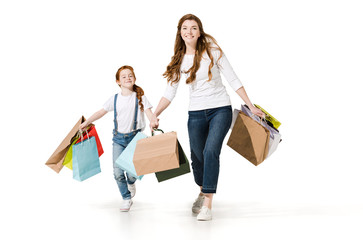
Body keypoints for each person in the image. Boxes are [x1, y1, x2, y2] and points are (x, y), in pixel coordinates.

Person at [149, 14, 264, 221]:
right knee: (197, 156)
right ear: (180, 32)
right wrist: (154, 114)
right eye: (185, 28)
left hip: (220, 109)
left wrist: (251, 105)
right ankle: (203, 191)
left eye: (193, 28)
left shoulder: (212, 50)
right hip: (195, 113)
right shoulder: (179, 59)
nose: (189, 32)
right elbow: (169, 93)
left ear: (199, 31)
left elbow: (232, 78)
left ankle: (207, 204)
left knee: (211, 151)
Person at [80, 65, 153, 212]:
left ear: (135, 79)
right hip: (118, 139)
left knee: (133, 172)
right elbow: (101, 112)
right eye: (124, 76)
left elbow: (149, 112)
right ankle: (126, 198)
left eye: (130, 75)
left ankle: (131, 182)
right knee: (118, 172)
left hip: (136, 138)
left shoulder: (140, 97)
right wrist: (87, 122)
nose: (127, 78)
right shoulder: (114, 99)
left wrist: (153, 120)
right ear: (118, 81)